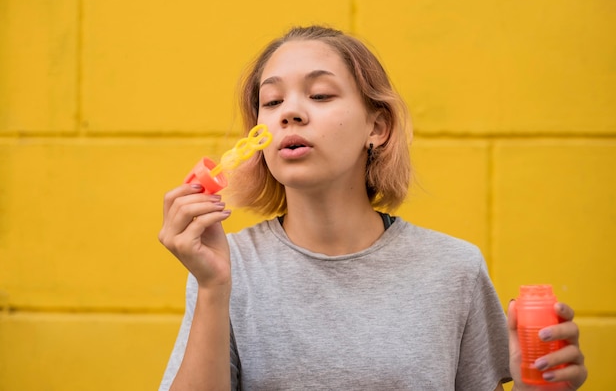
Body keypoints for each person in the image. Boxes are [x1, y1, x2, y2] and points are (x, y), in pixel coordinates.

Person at [158, 25, 587, 390]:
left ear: (377, 128)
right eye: (271, 102)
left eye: (321, 95)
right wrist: (213, 289)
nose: (289, 112)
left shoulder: (453, 269)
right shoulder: (226, 269)